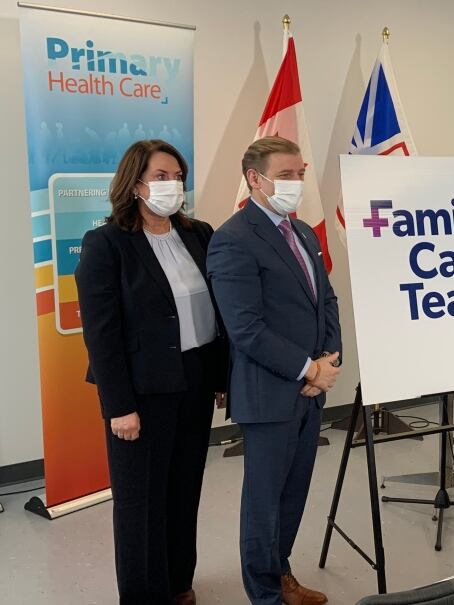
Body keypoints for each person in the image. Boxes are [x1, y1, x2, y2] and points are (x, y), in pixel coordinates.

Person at [75, 140, 228, 605]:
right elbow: (102, 334)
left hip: (195, 378)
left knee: (185, 488)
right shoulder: (105, 243)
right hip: (142, 390)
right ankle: (144, 596)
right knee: (141, 502)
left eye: (178, 175)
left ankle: (178, 582)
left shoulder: (199, 233)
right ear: (134, 181)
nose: (172, 185)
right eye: (161, 176)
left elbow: (217, 310)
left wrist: (221, 377)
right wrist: (119, 406)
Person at [207, 136, 341, 605]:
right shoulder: (233, 239)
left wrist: (330, 357)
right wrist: (308, 369)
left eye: (300, 174)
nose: (296, 183)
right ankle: (264, 594)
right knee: (264, 502)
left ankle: (281, 575)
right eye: (286, 175)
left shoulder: (301, 231)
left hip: (311, 388)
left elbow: (325, 298)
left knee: (294, 494)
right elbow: (245, 328)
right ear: (254, 179)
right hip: (269, 393)